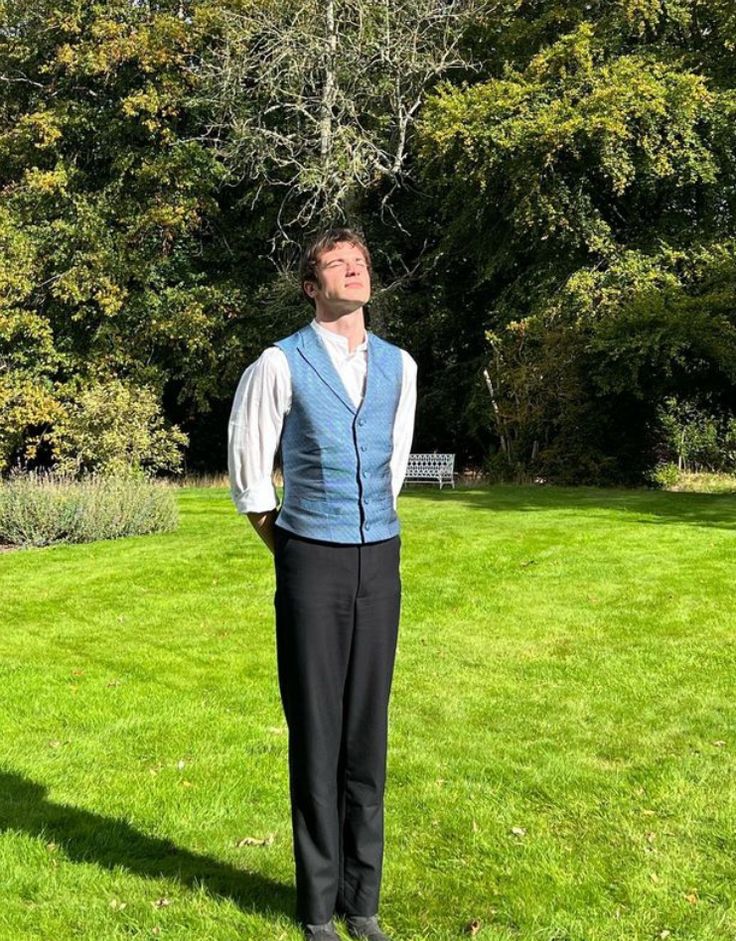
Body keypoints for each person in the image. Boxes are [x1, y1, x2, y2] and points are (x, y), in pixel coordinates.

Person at [227, 228, 418, 941]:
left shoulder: (401, 365)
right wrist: (296, 546)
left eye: (361, 260)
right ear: (312, 285)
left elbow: (392, 462)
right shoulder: (280, 363)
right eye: (338, 263)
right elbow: (251, 476)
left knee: (367, 731)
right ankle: (317, 909)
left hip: (381, 558)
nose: (355, 268)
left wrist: (366, 529)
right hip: (310, 555)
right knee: (318, 731)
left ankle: (362, 902)